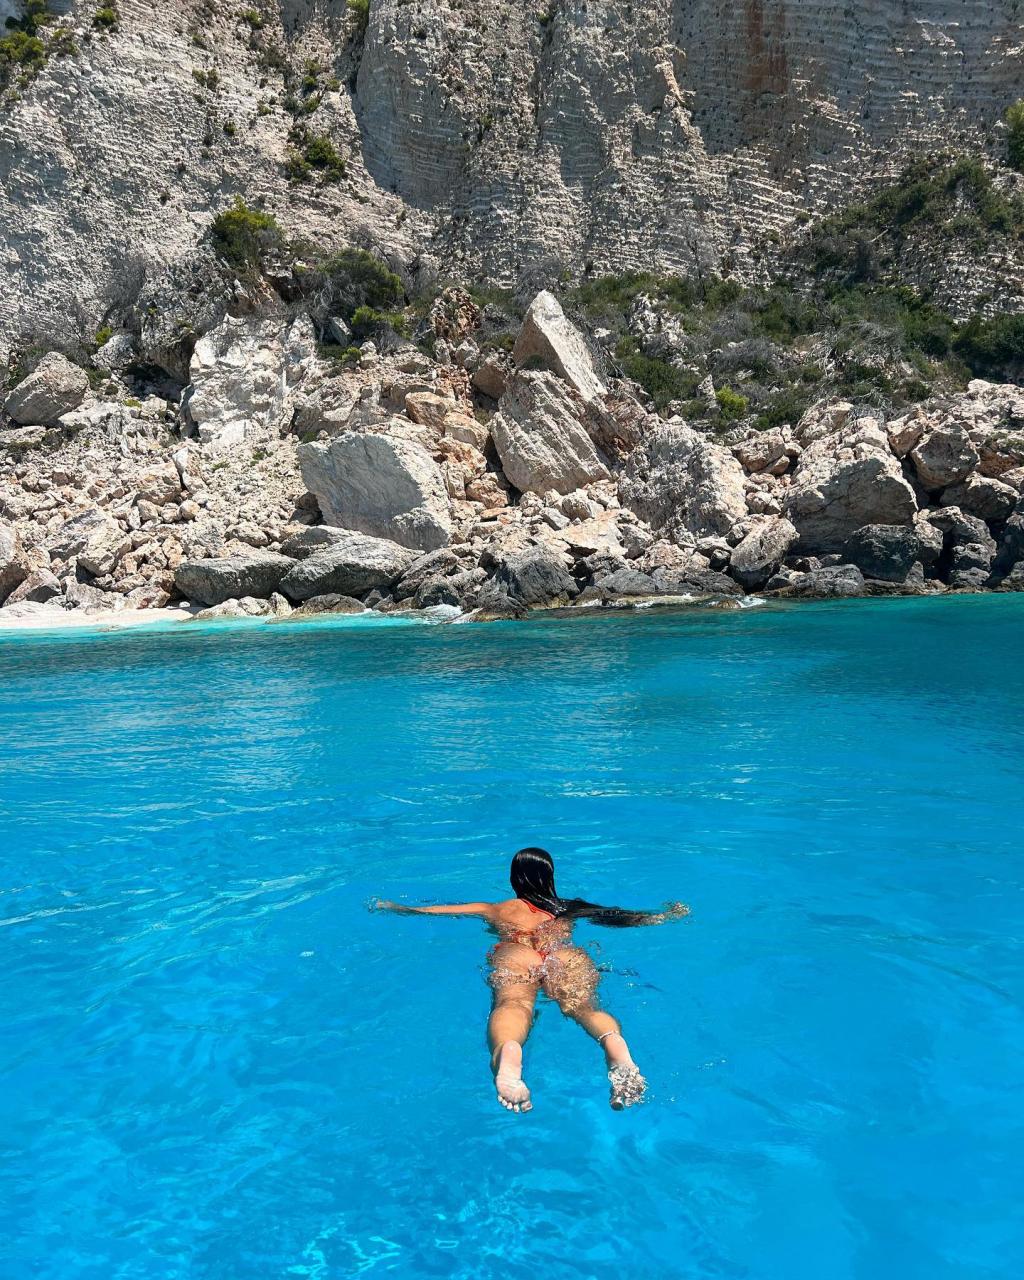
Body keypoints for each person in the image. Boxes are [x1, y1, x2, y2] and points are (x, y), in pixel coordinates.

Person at [375, 846, 689, 1113]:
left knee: (514, 1003)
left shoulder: (494, 908)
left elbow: (435, 911)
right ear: (550, 877)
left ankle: (509, 1056)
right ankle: (616, 1049)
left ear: (513, 878)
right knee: (585, 1008)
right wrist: (666, 915)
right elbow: (620, 917)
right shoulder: (570, 907)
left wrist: (395, 906)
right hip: (563, 954)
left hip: (516, 952)